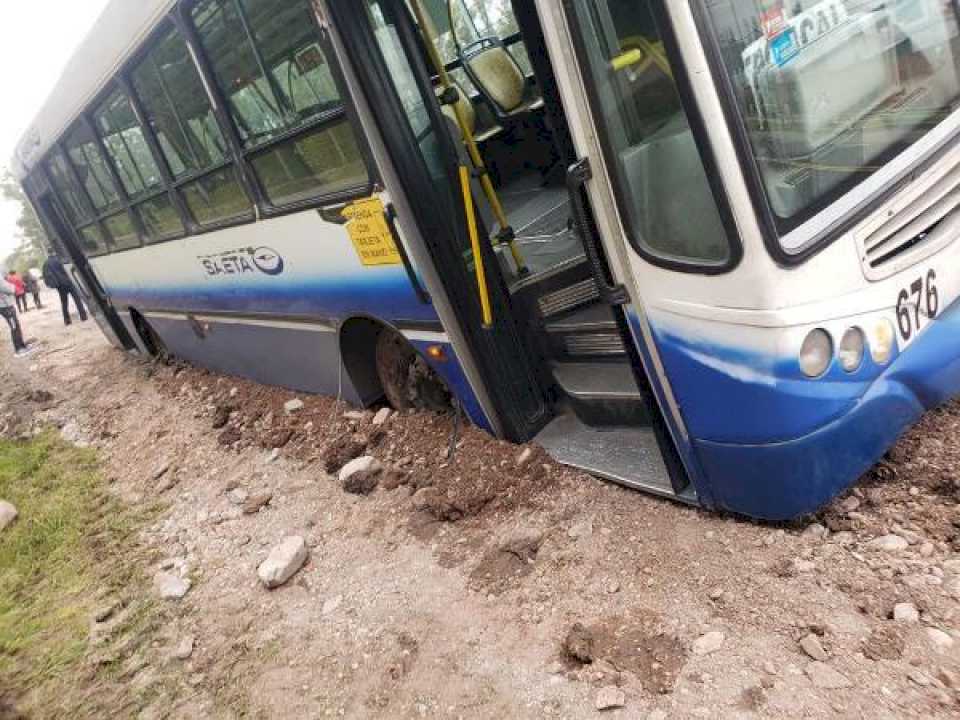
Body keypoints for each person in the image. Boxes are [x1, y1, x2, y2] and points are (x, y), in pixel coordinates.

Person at [42, 255, 88, 326]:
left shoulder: (46, 264)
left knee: (64, 303)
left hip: (59, 286)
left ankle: (67, 320)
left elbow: (45, 276)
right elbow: (66, 270)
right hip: (68, 282)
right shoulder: (59, 259)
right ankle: (83, 316)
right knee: (77, 299)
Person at [0, 271, 32, 356]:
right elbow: (4, 287)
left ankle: (22, 345)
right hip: (5, 305)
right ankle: (19, 349)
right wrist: (13, 288)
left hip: (5, 305)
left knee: (16, 325)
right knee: (14, 326)